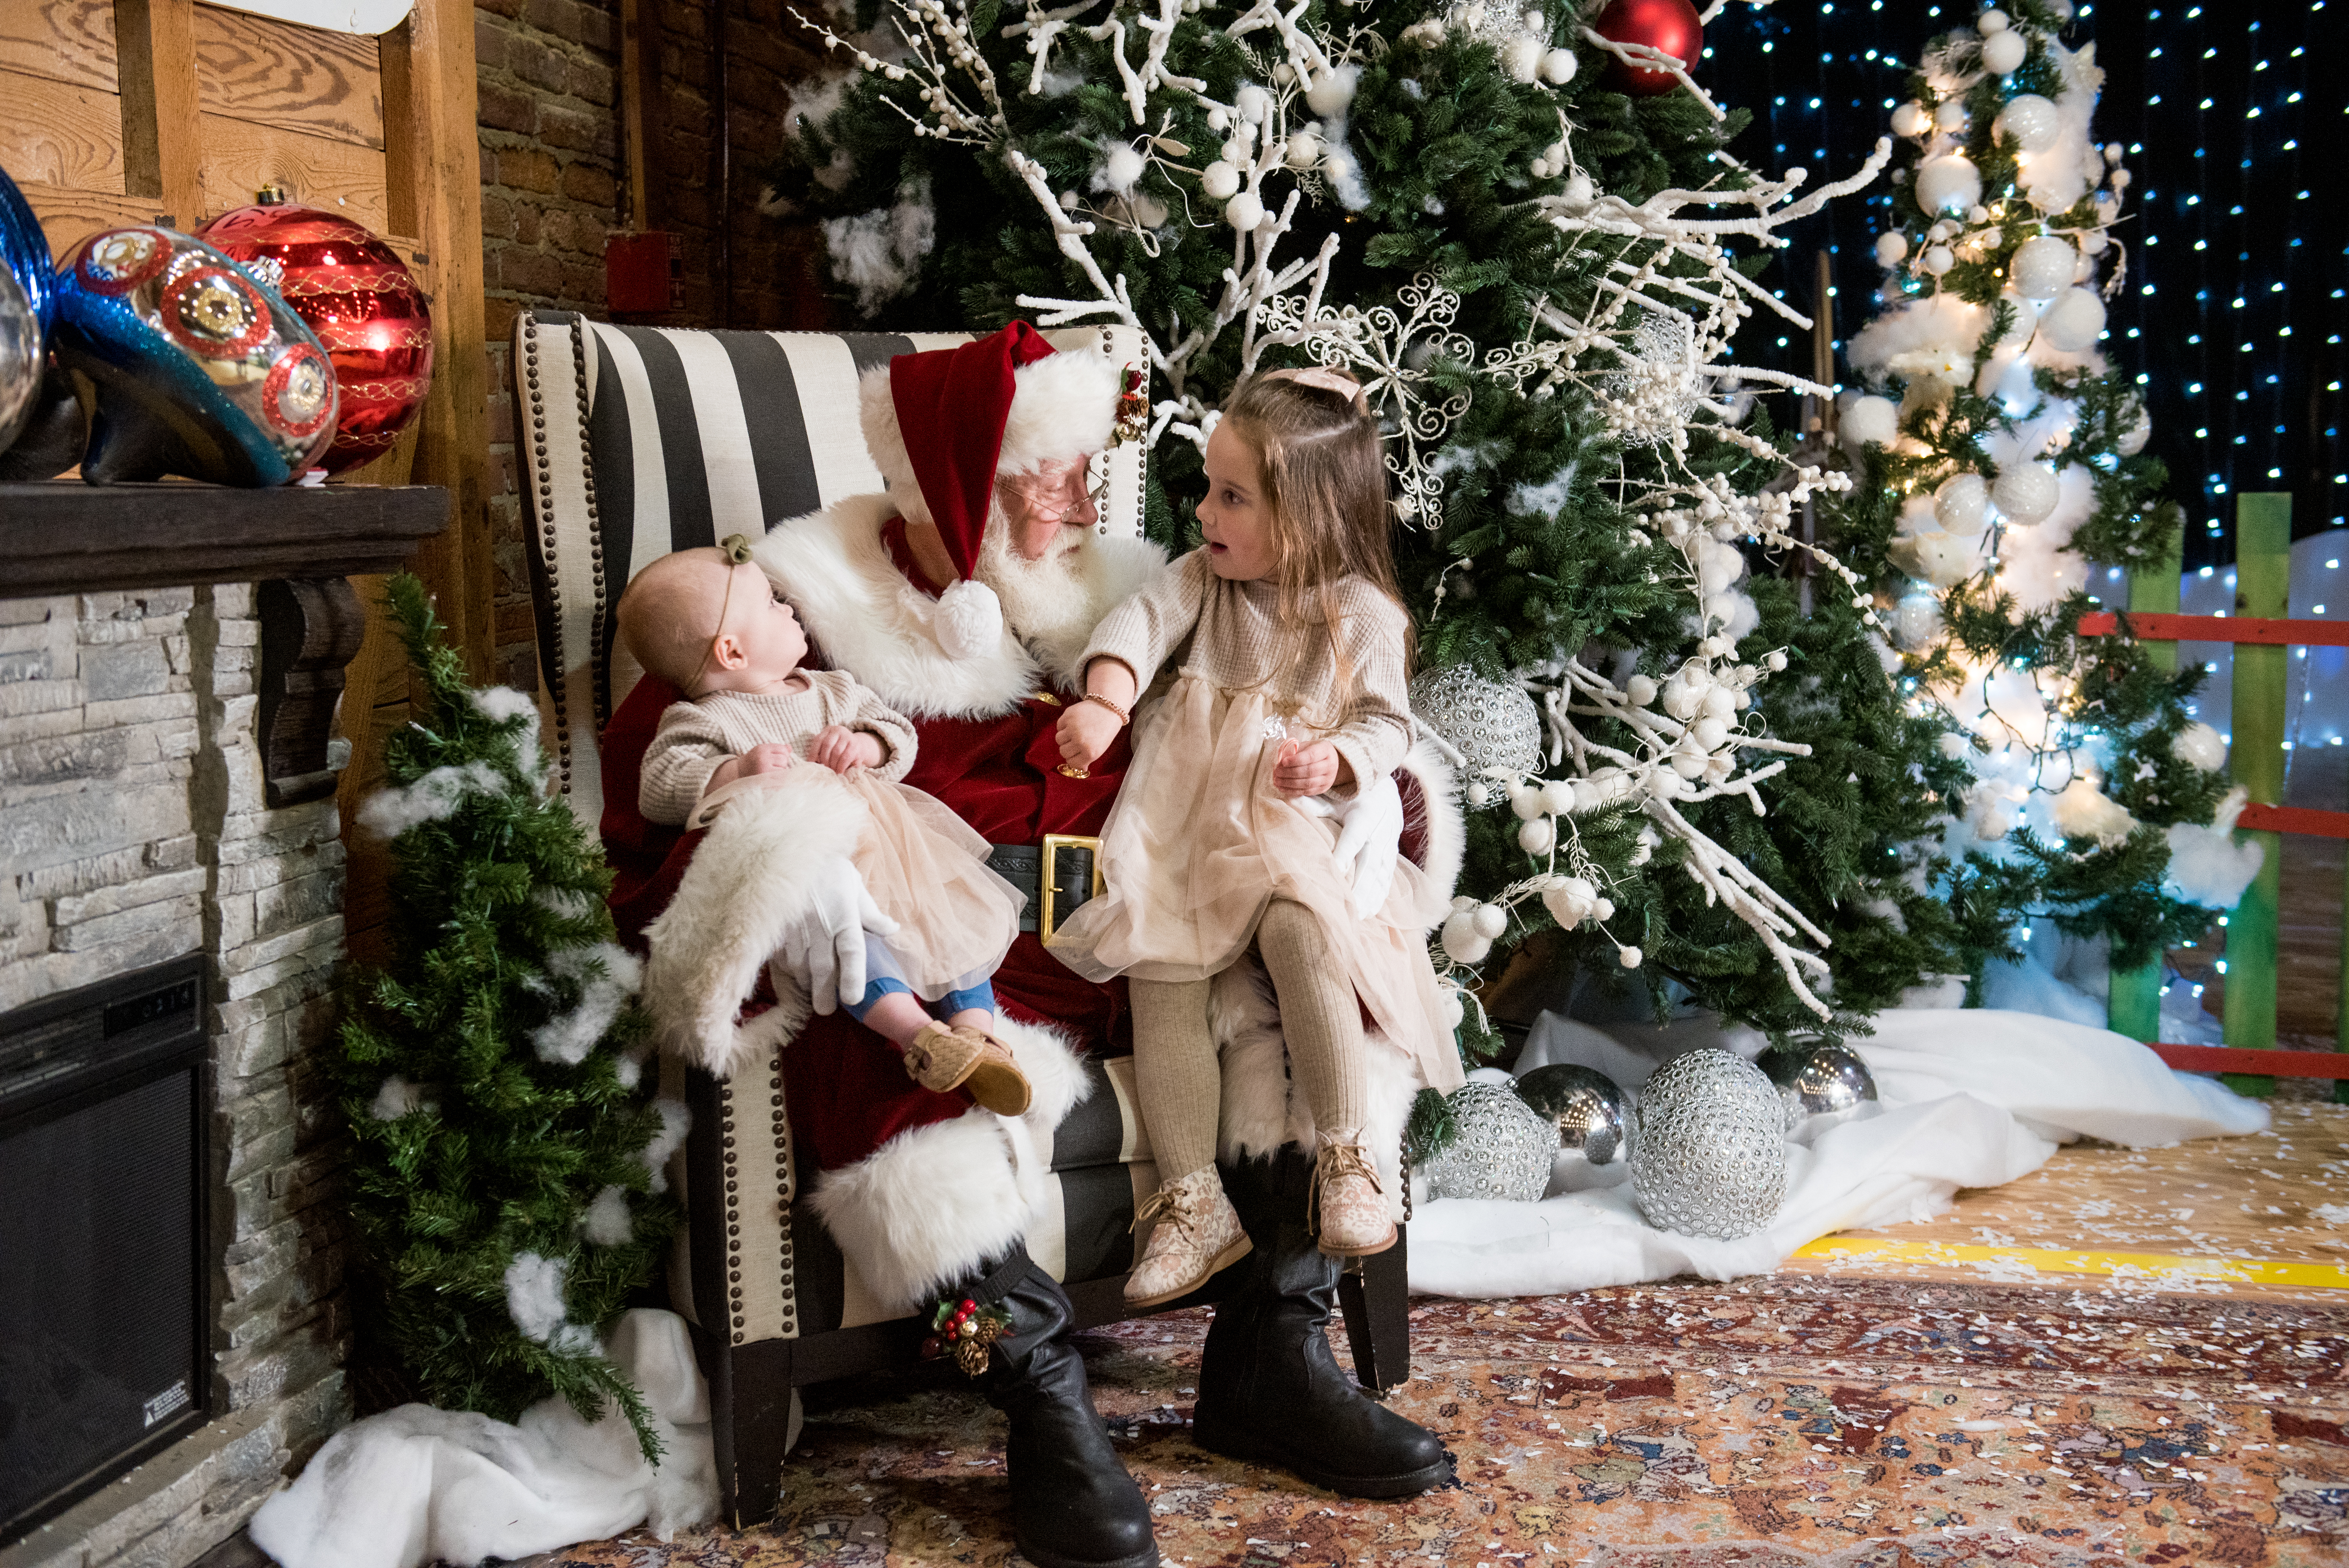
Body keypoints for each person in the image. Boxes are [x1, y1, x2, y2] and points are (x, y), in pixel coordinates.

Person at [620, 327, 1457, 1568]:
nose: (1084, 502)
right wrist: (790, 831)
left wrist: (1378, 791)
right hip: (956, 942)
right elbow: (680, 772)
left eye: (1086, 467)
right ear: (955, 480)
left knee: (1317, 967)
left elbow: (1321, 713)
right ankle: (1041, 1392)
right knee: (891, 1060)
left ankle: (1270, 1356)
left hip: (1141, 918)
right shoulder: (816, 605)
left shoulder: (1148, 586)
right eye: (1042, 475)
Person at [1049, 369, 1466, 1319]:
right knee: (1159, 968)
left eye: (1231, 496)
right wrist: (1109, 697)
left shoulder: (1360, 613)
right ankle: (1191, 1203)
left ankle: (1349, 1157)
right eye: (1207, 486)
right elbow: (1137, 620)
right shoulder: (1205, 582)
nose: (1203, 511)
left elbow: (1387, 723)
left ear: (1310, 513)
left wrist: (1336, 760)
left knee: (1303, 930)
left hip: (1285, 821)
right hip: (1181, 823)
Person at [620, 537, 1030, 1116]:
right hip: (808, 864)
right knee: (848, 948)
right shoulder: (703, 720)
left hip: (893, 842)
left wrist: (865, 743)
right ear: (732, 651)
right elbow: (659, 787)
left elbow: (901, 737)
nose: (788, 606)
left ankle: (978, 1033)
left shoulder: (830, 689)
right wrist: (735, 770)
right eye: (770, 603)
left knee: (951, 919)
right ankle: (921, 1038)